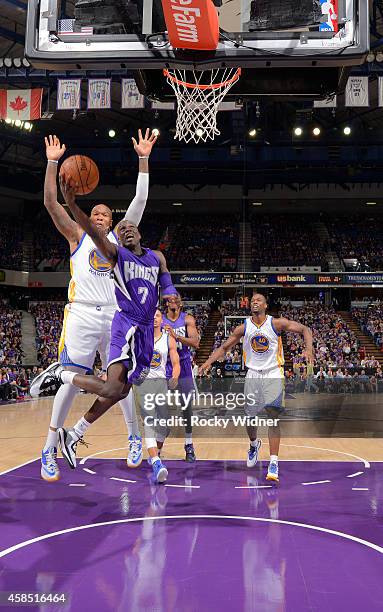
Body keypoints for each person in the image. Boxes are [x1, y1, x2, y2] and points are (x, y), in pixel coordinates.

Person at [31, 174, 178, 474]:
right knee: (73, 379)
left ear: (113, 223)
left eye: (105, 215)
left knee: (121, 383)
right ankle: (49, 447)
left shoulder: (120, 240)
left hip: (117, 313)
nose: (99, 217)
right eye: (95, 213)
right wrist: (52, 163)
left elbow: (140, 200)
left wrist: (143, 161)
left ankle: (134, 437)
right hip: (82, 312)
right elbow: (49, 202)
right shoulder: (78, 234)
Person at [199, 293, 313, 483]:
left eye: (259, 300)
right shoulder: (243, 327)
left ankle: (274, 461)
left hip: (273, 372)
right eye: (252, 301)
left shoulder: (276, 323)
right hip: (252, 374)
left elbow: (305, 329)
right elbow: (224, 348)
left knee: (273, 415)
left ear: (266, 305)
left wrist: (309, 349)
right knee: (249, 417)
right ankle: (254, 444)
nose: (255, 302)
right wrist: (208, 362)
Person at [126, 309, 180, 482]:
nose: (154, 319)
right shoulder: (138, 336)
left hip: (161, 383)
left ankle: (155, 452)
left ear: (161, 319)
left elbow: (176, 361)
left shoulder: (168, 338)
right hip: (143, 382)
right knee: (149, 420)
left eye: (157, 316)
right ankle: (156, 461)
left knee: (165, 426)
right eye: (151, 316)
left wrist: (175, 376)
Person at [162, 295, 200, 462]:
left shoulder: (187, 319)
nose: (174, 301)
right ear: (166, 303)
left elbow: (196, 343)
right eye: (170, 299)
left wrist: (176, 336)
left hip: (183, 365)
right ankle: (158, 446)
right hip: (164, 365)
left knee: (186, 408)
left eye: (176, 299)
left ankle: (189, 444)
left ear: (181, 303)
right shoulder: (159, 319)